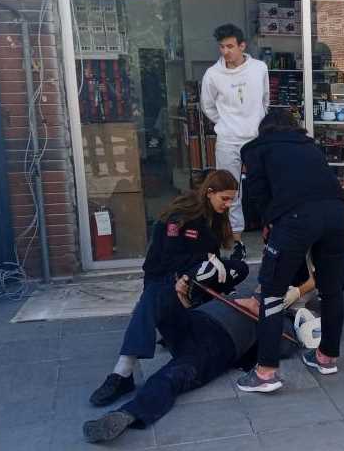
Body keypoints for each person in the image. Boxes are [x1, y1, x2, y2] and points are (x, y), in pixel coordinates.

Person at [88, 170, 248, 407]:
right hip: (165, 278)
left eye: (231, 200)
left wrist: (218, 266)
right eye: (224, 198)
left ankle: (125, 371)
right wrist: (191, 272)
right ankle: (122, 372)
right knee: (153, 297)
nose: (228, 204)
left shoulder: (213, 218)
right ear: (209, 193)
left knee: (239, 268)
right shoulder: (180, 215)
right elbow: (166, 258)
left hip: (194, 286)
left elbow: (210, 259)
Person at [83, 280, 296, 443]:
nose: (261, 290)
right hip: (193, 322)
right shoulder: (241, 292)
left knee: (172, 376)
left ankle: (127, 414)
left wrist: (266, 316)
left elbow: (286, 346)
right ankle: (123, 371)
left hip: (218, 346)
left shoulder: (279, 320)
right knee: (157, 290)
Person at [239, 110, 344, 393]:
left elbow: (256, 195)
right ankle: (326, 357)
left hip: (296, 218)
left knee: (272, 293)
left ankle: (265, 373)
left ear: (265, 131)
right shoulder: (310, 147)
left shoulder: (257, 150)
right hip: (336, 213)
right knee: (331, 289)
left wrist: (267, 223)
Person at [200, 23, 270, 261]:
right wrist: (227, 124)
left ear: (242, 45)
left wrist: (254, 124)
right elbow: (208, 106)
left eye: (230, 46)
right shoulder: (212, 74)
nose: (225, 51)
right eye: (221, 47)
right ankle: (236, 241)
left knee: (265, 186)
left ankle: (271, 234)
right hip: (228, 139)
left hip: (256, 138)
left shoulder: (259, 68)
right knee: (230, 191)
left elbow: (265, 100)